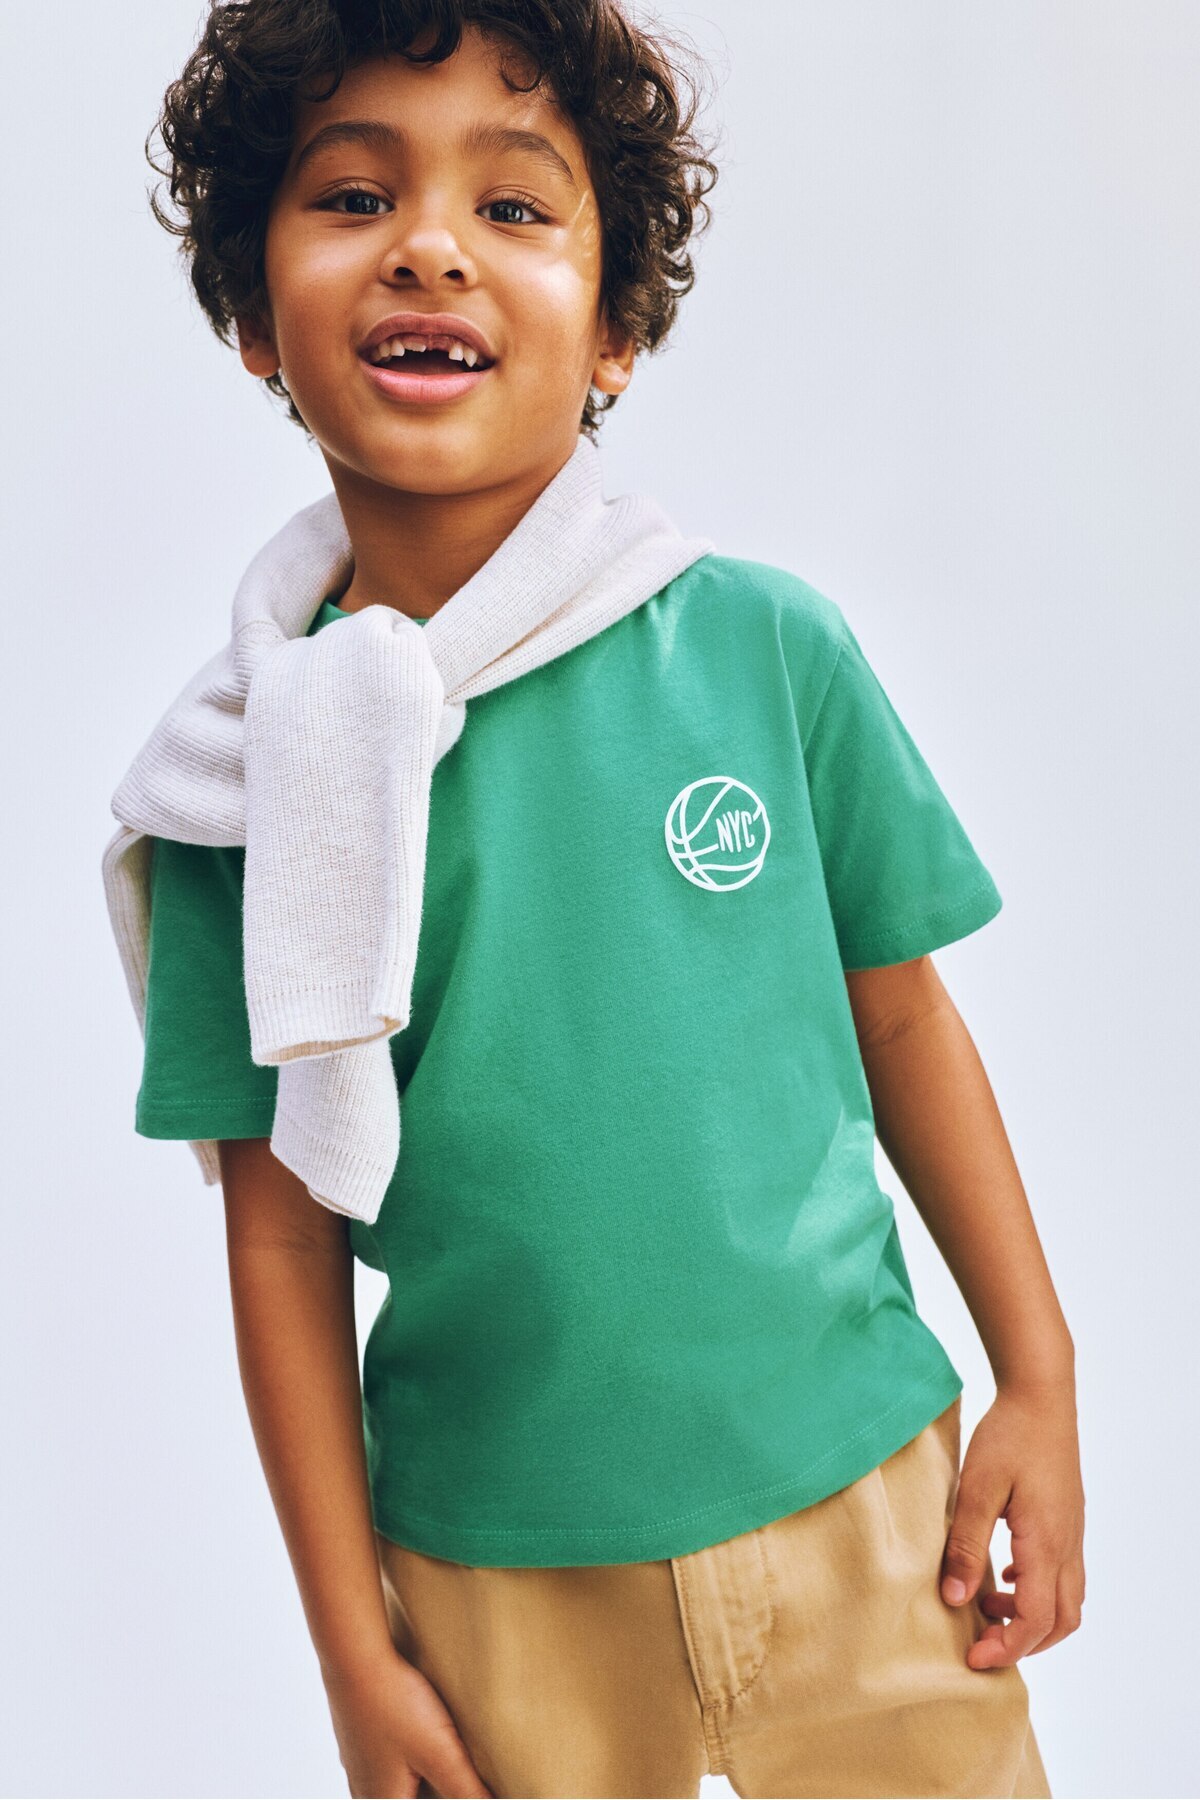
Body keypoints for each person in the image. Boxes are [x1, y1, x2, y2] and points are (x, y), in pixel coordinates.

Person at [106, 3, 1083, 1794]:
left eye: (514, 206)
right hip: (496, 1586)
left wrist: (1039, 1372)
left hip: (872, 1509)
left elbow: (901, 1021)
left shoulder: (766, 650)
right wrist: (351, 1652)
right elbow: (279, 1235)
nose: (430, 247)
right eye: (352, 196)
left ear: (617, 328)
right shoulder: (243, 790)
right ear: (253, 316)